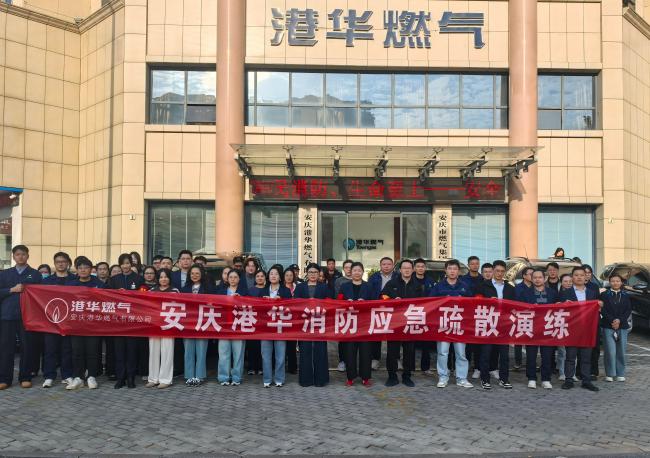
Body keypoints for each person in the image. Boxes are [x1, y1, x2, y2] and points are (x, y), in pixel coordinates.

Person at [0, 245, 42, 390]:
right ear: (13, 257)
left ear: (28, 256)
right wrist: (11, 290)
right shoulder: (5, 274)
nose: (20, 256)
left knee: (27, 347)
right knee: (6, 348)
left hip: (28, 317)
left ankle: (25, 377)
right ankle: (4, 379)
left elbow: (40, 295)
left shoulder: (35, 274)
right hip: (8, 315)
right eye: (17, 254)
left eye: (23, 254)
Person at [429, 259, 473, 389]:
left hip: (460, 324)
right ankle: (443, 377)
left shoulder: (465, 286)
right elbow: (430, 303)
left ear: (458, 271)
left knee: (461, 353)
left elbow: (472, 304)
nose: (452, 271)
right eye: (450, 268)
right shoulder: (438, 286)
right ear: (445, 270)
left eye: (455, 269)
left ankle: (462, 378)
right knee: (443, 352)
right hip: (443, 324)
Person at [380, 259, 425, 387]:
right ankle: (392, 376)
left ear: (413, 270)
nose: (406, 270)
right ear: (400, 270)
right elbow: (382, 297)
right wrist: (393, 300)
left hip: (410, 322)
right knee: (392, 351)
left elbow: (424, 303)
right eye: (404, 268)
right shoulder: (392, 283)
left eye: (409, 268)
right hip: (394, 322)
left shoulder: (418, 285)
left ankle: (407, 376)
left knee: (409, 351)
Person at [65, 256, 106, 390]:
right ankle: (78, 377)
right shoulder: (71, 285)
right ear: (77, 270)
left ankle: (91, 376)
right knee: (77, 351)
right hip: (76, 324)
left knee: (92, 351)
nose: (83, 270)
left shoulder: (99, 284)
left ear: (91, 269)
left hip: (93, 324)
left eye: (86, 267)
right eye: (80, 268)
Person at [559, 266, 601, 392]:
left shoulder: (592, 293)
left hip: (587, 330)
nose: (579, 277)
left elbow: (598, 308)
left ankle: (586, 381)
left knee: (586, 357)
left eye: (581, 275)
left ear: (586, 277)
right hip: (572, 329)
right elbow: (558, 309)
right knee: (570, 356)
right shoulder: (565, 293)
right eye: (576, 275)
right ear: (572, 277)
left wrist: (600, 305)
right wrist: (563, 304)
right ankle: (569, 380)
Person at [475, 260, 514, 390]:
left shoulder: (509, 288)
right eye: (497, 271)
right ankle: (485, 379)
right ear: (493, 271)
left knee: (504, 354)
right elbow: (476, 303)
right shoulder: (482, 286)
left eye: (502, 271)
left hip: (504, 324)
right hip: (488, 322)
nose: (499, 273)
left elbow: (515, 306)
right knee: (486, 353)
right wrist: (488, 301)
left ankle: (504, 379)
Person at [108, 253, 144, 389]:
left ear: (131, 264)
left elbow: (143, 295)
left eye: (128, 263)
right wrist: (117, 293)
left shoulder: (138, 279)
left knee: (131, 351)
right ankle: (120, 378)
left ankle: (130, 377)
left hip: (133, 321)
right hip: (118, 322)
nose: (125, 266)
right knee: (119, 351)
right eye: (123, 263)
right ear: (120, 265)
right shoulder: (113, 279)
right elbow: (106, 296)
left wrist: (131, 293)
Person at [41, 252, 75, 388]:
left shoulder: (75, 280)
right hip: (51, 321)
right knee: (50, 349)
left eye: (63, 261)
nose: (61, 264)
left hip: (69, 320)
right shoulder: (46, 281)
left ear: (68, 263)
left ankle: (67, 375)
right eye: (58, 262)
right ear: (54, 264)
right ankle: (49, 376)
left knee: (67, 349)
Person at [294, 263, 331, 387]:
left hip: (320, 322)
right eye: (310, 272)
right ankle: (306, 380)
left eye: (315, 272)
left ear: (319, 273)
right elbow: (295, 303)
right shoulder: (300, 287)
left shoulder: (324, 287)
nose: (313, 274)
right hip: (304, 323)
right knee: (305, 351)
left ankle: (321, 379)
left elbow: (330, 302)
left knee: (321, 351)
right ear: (307, 273)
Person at [521, 269, 558, 389]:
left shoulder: (552, 293)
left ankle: (546, 379)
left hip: (548, 327)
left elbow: (558, 308)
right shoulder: (525, 293)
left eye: (540, 277)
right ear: (531, 279)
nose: (537, 280)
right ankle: (531, 378)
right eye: (535, 277)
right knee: (531, 355)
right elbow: (520, 308)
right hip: (531, 327)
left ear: (544, 278)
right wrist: (530, 308)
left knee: (547, 355)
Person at [340, 262, 373, 386]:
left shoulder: (369, 286)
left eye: (359, 270)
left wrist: (365, 302)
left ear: (363, 272)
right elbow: (338, 300)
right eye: (354, 270)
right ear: (350, 272)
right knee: (349, 351)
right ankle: (350, 377)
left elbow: (375, 301)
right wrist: (345, 302)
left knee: (366, 352)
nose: (357, 273)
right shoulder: (344, 286)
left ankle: (365, 377)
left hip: (365, 323)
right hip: (350, 323)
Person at [259, 266, 292, 387]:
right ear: (268, 276)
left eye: (276, 274)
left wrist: (282, 300)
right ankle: (267, 379)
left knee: (280, 355)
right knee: (266, 355)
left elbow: (291, 307)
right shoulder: (262, 291)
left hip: (280, 327)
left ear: (280, 277)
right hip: (266, 328)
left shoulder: (285, 291)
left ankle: (279, 378)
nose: (273, 276)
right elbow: (257, 309)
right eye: (271, 273)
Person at [180, 264, 213, 386]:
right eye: (192, 273)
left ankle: (199, 375)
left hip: (203, 322)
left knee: (201, 350)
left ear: (202, 275)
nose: (194, 275)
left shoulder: (208, 288)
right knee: (188, 351)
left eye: (197, 273)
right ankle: (189, 375)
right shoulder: (184, 289)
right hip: (188, 323)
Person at [147, 268, 178, 389]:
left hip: (168, 324)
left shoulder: (175, 291)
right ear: (158, 279)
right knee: (153, 352)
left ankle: (166, 379)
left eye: (165, 277)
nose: (163, 279)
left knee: (167, 352)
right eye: (161, 277)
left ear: (169, 278)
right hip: (154, 324)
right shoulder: (151, 290)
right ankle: (153, 378)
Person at [600, 273, 631, 382]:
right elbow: (602, 310)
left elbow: (628, 310)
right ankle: (610, 373)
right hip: (608, 325)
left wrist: (619, 320)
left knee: (621, 350)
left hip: (622, 326)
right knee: (610, 351)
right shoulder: (604, 295)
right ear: (609, 282)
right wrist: (612, 320)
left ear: (621, 282)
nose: (615, 283)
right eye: (613, 281)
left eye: (617, 281)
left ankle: (620, 373)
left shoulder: (626, 295)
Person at [368, 256, 397, 369]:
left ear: (393, 266)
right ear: (380, 266)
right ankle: (375, 359)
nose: (386, 266)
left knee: (394, 335)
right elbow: (370, 292)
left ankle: (395, 358)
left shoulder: (398, 276)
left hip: (394, 310)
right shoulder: (374, 277)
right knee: (377, 334)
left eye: (389, 264)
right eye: (384, 264)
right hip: (378, 309)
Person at [413, 258, 435, 375]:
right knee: (411, 342)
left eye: (422, 266)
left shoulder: (430, 281)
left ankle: (425, 367)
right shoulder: (410, 280)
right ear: (414, 268)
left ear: (425, 268)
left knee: (426, 343)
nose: (420, 268)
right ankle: (410, 367)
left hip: (428, 314)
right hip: (413, 314)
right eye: (418, 266)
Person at [245, 269, 266, 375]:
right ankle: (251, 367)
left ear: (265, 278)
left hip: (264, 321)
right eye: (258, 276)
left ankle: (261, 367)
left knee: (263, 346)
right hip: (252, 320)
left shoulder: (268, 290)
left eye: (262, 276)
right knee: (252, 345)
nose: (260, 278)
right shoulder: (250, 290)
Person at [582, 264, 602, 379]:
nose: (586, 275)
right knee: (581, 347)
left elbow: (598, 302)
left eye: (589, 273)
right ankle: (580, 371)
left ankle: (594, 371)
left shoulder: (594, 286)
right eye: (584, 273)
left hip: (593, 320)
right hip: (580, 321)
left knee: (595, 346)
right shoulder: (574, 287)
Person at [334, 259, 353, 373]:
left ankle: (352, 361)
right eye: (346, 267)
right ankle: (342, 361)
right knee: (343, 339)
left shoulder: (361, 281)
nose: (349, 270)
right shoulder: (339, 281)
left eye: (351, 267)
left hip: (356, 314)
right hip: (343, 313)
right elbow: (337, 296)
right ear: (343, 269)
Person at [556, 273, 573, 381]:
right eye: (565, 281)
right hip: (561, 325)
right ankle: (562, 373)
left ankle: (572, 373)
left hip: (573, 325)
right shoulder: (557, 294)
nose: (568, 283)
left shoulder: (576, 293)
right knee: (562, 351)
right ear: (561, 283)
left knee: (573, 352)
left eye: (570, 281)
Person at [283, 268, 298, 374]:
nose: (289, 277)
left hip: (295, 319)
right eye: (287, 275)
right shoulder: (280, 288)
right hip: (282, 318)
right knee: (281, 344)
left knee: (292, 344)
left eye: (291, 275)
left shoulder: (298, 288)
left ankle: (292, 367)